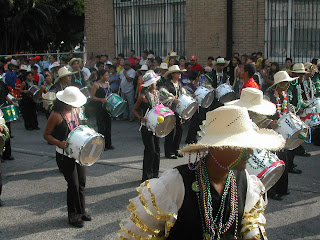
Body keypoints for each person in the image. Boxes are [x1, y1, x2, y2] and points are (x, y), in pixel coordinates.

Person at [118, 105, 285, 239]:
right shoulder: (175, 183)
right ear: (217, 147)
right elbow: (139, 233)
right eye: (242, 146)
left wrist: (252, 234)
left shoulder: (245, 182)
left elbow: (250, 221)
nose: (250, 153)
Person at [43, 86, 90, 228]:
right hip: (64, 155)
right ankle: (73, 215)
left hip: (78, 153)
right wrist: (59, 143)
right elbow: (46, 135)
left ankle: (82, 211)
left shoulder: (76, 110)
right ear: (65, 102)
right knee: (73, 185)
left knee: (81, 182)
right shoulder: (56, 115)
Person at [264, 71, 300, 199]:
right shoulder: (268, 96)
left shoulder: (284, 95)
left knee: (283, 159)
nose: (288, 85)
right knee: (273, 161)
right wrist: (269, 122)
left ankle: (282, 188)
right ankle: (271, 191)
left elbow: (287, 111)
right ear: (279, 84)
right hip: (270, 133)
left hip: (282, 132)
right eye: (286, 83)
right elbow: (260, 114)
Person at [132, 71, 161, 181]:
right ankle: (146, 176)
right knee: (150, 150)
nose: (156, 84)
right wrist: (141, 118)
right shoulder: (142, 96)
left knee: (157, 149)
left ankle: (155, 174)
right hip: (146, 126)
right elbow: (134, 109)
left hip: (156, 125)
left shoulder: (157, 93)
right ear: (149, 84)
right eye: (154, 83)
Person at [159, 65, 187, 159]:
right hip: (170, 110)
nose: (180, 74)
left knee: (180, 129)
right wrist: (171, 99)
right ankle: (169, 151)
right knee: (170, 131)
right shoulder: (167, 85)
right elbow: (162, 95)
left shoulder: (179, 84)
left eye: (180, 72)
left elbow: (183, 94)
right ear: (173, 74)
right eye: (178, 72)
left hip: (179, 110)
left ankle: (176, 149)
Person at [90, 69, 114, 150]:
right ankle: (101, 145)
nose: (108, 77)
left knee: (108, 125)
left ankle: (108, 143)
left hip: (107, 107)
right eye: (106, 75)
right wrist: (101, 100)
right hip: (100, 107)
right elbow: (92, 97)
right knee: (101, 126)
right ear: (101, 76)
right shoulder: (96, 85)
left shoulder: (107, 84)